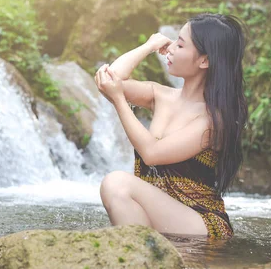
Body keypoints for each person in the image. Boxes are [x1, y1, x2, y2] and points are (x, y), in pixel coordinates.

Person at [95, 13, 248, 239]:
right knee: (117, 187)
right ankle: (150, 260)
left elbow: (151, 154)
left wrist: (119, 101)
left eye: (181, 44)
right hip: (162, 214)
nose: (172, 48)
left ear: (204, 61)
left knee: (116, 184)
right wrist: (149, 45)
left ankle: (148, 258)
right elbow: (112, 78)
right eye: (174, 40)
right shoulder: (161, 95)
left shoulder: (213, 121)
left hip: (201, 222)